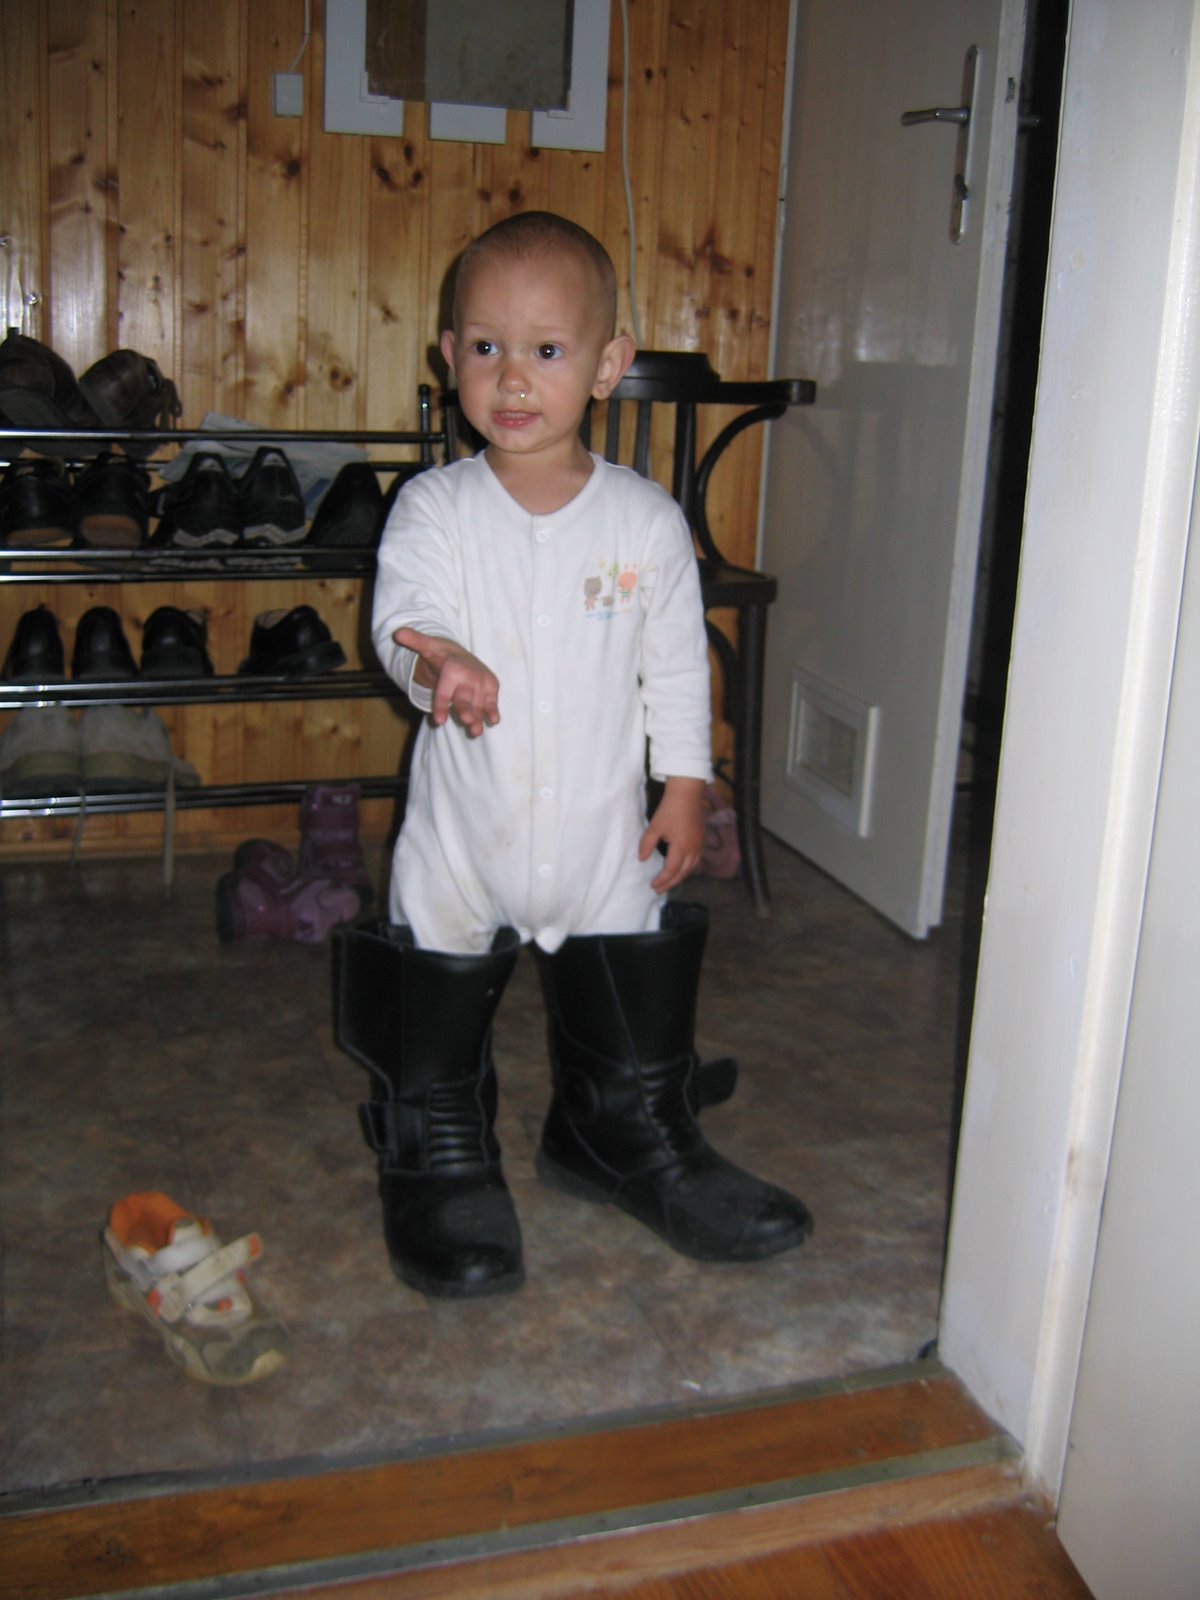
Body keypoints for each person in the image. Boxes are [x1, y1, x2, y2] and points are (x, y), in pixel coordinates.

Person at [332, 212, 812, 1299]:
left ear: (606, 365)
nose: (512, 377)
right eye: (485, 346)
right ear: (449, 355)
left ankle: (620, 1131)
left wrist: (685, 784)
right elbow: (402, 619)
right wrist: (438, 659)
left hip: (604, 832)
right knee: (434, 957)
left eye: (546, 349)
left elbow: (676, 667)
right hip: (463, 835)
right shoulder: (433, 508)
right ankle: (440, 1147)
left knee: (631, 950)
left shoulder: (644, 521)